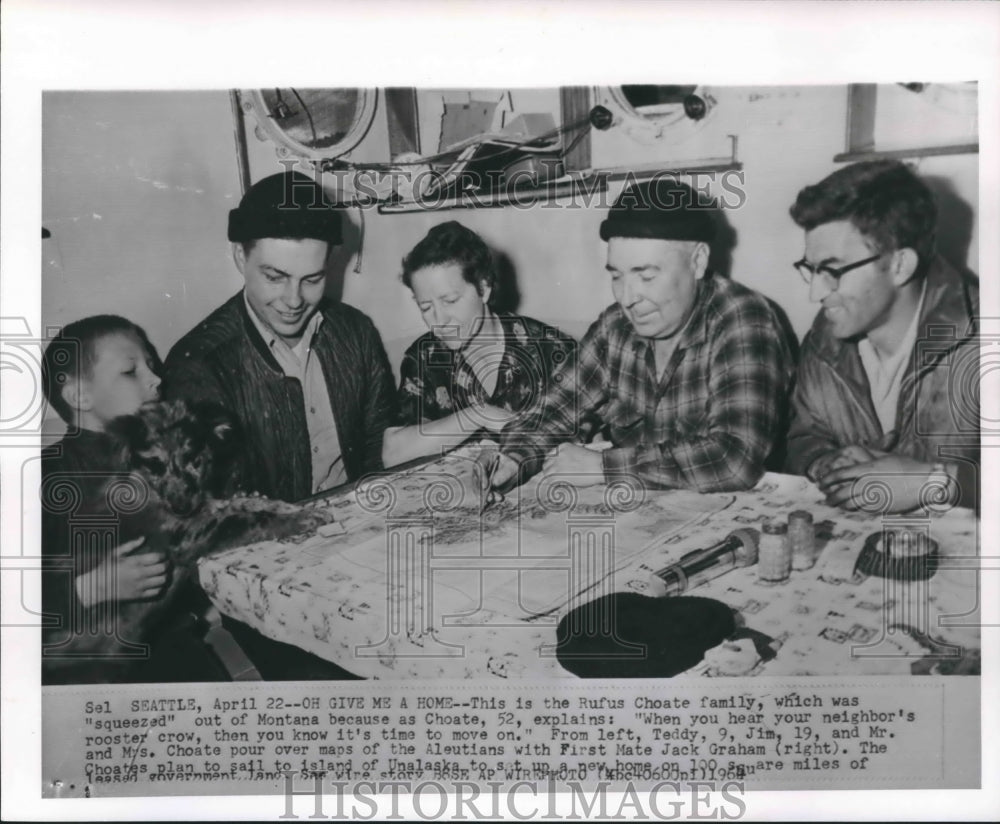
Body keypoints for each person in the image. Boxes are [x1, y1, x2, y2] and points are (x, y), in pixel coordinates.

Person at [482, 178, 793, 495]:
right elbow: (553, 411)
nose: (628, 297)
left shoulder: (743, 320)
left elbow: (735, 459)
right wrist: (512, 459)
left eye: (646, 275)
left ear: (697, 261)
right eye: (617, 276)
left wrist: (604, 467)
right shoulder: (615, 327)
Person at [163, 170, 397, 502]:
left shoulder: (356, 333)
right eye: (275, 277)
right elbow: (210, 509)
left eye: (312, 279)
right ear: (240, 257)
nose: (294, 300)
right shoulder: (199, 366)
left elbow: (381, 450)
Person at [40, 315, 225, 684]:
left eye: (151, 366)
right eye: (131, 371)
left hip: (170, 645)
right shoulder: (47, 477)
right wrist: (92, 587)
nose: (156, 379)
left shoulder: (165, 461)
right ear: (79, 395)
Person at [785, 160, 979, 512]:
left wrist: (937, 481)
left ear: (899, 265)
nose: (815, 293)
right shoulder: (824, 336)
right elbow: (803, 434)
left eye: (832, 270)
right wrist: (825, 462)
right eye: (811, 270)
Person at [382, 221, 576, 467]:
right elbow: (392, 452)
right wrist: (478, 414)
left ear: (483, 288)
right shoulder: (425, 356)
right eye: (426, 307)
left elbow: (586, 447)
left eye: (450, 300)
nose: (439, 321)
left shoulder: (551, 349)